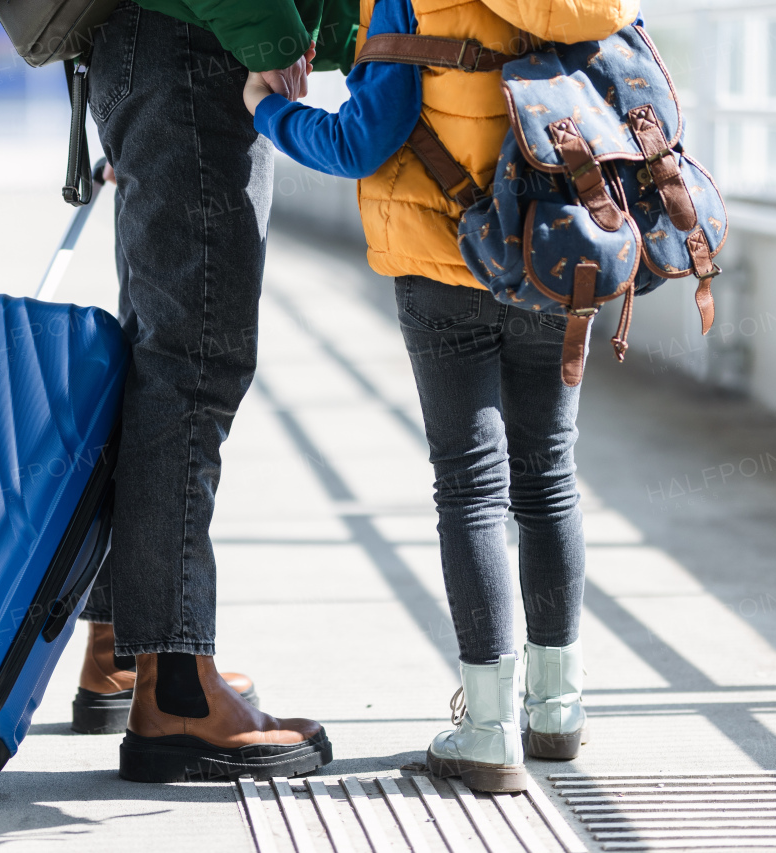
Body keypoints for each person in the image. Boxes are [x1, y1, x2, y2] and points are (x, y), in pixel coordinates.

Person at [242, 0, 639, 792]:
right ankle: (557, 708)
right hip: (561, 254)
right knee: (550, 474)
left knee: (471, 484)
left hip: (444, 256)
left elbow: (362, 141)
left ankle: (488, 729)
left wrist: (267, 110)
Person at [69, 0, 357, 783]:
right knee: (192, 368)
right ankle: (178, 695)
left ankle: (123, 649)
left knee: (157, 360)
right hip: (200, 48)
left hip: (159, 44)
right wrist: (270, 35)